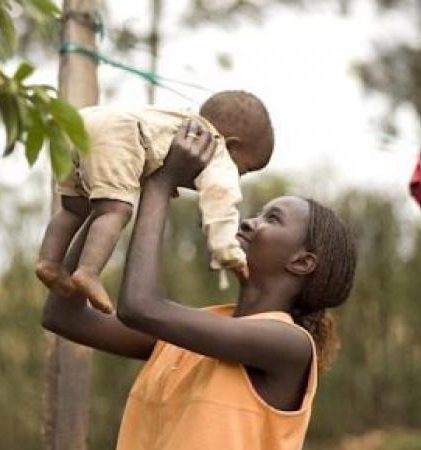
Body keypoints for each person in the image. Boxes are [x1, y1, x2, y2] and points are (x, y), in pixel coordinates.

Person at [41, 120, 356, 450]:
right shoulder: (196, 331)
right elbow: (64, 316)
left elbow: (140, 307)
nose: (249, 222)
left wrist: (161, 183)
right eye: (260, 214)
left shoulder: (288, 345)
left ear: (302, 262)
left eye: (272, 219)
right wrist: (108, 196)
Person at [36, 91, 275, 313]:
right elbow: (221, 205)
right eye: (245, 169)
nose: (239, 176)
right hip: (118, 135)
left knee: (74, 208)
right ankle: (89, 271)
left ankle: (49, 262)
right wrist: (230, 254)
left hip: (82, 122)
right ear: (232, 145)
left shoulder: (180, 121)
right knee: (114, 210)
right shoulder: (216, 148)